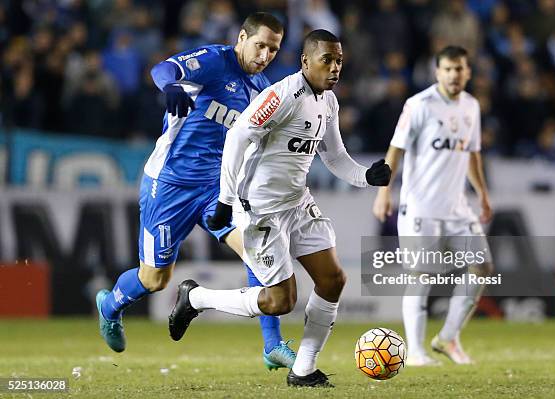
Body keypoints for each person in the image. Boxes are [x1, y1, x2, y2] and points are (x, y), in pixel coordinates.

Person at [168, 29, 391, 387]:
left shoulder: (328, 103)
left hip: (297, 203)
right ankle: (196, 298)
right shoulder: (283, 95)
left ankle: (303, 370)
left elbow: (334, 156)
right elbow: (238, 138)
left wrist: (367, 176)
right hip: (260, 210)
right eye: (327, 60)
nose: (334, 68)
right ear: (306, 61)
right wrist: (226, 201)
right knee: (280, 301)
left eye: (339, 62)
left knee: (333, 280)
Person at [95, 12, 296, 371]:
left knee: (257, 251)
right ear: (241, 38)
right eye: (260, 45)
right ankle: (110, 306)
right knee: (154, 279)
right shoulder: (214, 61)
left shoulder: (262, 89)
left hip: (216, 190)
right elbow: (162, 71)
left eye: (273, 49)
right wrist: (171, 87)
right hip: (170, 183)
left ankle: (273, 345)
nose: (265, 55)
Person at [372, 45, 494, 366]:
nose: (454, 75)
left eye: (460, 69)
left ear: (468, 72)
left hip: (457, 208)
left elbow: (472, 154)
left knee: (481, 267)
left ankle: (448, 336)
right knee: (422, 276)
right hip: (420, 208)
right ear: (437, 72)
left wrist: (481, 193)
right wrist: (384, 192)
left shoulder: (471, 106)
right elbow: (395, 150)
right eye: (448, 69)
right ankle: (416, 352)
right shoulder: (419, 105)